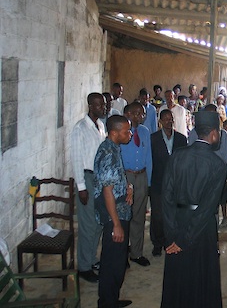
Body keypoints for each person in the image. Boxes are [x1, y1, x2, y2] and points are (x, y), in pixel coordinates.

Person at [161, 111, 227, 308]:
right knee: (202, 280)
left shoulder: (177, 156)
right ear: (214, 134)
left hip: (177, 221)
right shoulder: (218, 165)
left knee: (178, 279)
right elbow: (206, 209)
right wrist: (184, 239)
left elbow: (166, 198)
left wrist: (172, 235)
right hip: (202, 229)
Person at [94, 115, 134, 308]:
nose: (130, 134)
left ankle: (112, 299)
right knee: (112, 262)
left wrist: (128, 188)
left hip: (120, 210)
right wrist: (116, 224)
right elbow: (107, 191)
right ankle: (107, 303)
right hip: (114, 216)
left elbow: (114, 182)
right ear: (114, 132)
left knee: (118, 261)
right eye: (126, 131)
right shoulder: (108, 153)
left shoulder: (114, 148)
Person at [70, 93, 106, 283]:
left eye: (104, 105)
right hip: (87, 178)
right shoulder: (80, 128)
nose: (103, 108)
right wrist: (81, 187)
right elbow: (76, 159)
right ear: (90, 106)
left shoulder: (100, 126)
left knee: (99, 222)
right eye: (100, 105)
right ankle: (83, 267)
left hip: (99, 180)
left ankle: (92, 259)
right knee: (87, 225)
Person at [150, 109, 187, 257]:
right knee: (158, 215)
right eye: (165, 119)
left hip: (176, 184)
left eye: (170, 118)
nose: (168, 121)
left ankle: (171, 241)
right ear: (160, 121)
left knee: (174, 214)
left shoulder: (181, 139)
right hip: (158, 182)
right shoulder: (153, 138)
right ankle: (157, 243)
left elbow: (185, 162)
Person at [122, 103, 152, 267]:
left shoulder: (145, 132)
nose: (140, 117)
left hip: (141, 176)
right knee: (124, 216)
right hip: (126, 176)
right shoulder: (122, 132)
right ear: (127, 113)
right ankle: (121, 253)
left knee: (139, 216)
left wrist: (149, 181)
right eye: (136, 113)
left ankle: (136, 252)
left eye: (142, 114)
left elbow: (149, 157)